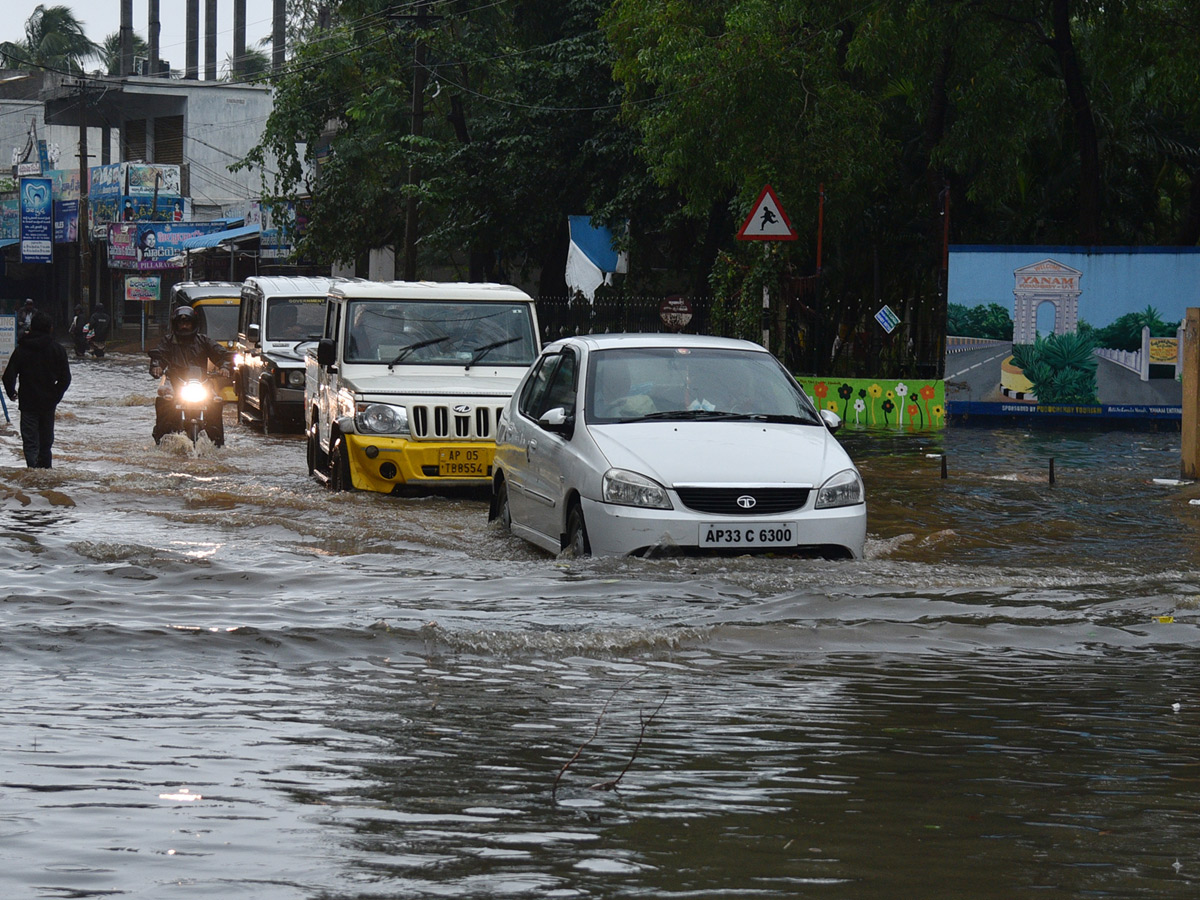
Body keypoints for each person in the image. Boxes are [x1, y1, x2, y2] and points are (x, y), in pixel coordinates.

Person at [149, 305, 231, 446]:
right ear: (176, 324)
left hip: (201, 383)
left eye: (187, 323)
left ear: (194, 324)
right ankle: (161, 439)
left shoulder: (204, 341)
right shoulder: (168, 341)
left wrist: (225, 367)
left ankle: (217, 440)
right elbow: (160, 355)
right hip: (175, 382)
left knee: (216, 401)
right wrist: (157, 366)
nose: (184, 326)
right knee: (164, 398)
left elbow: (222, 355)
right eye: (181, 323)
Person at [3, 311, 71, 468]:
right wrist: (55, 395)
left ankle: (33, 476)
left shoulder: (22, 349)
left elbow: (8, 375)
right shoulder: (58, 350)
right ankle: (45, 477)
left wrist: (11, 392)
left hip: (28, 402)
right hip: (48, 403)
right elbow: (65, 379)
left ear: (31, 328)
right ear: (50, 329)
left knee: (30, 443)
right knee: (46, 444)